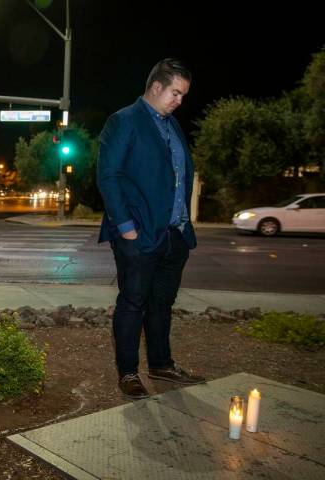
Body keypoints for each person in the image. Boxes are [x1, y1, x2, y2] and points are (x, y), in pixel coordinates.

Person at [96, 58, 205, 399]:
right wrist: (126, 227)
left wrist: (184, 227)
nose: (179, 101)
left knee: (162, 303)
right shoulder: (123, 121)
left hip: (174, 235)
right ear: (156, 87)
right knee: (133, 303)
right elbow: (108, 175)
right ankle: (128, 372)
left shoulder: (172, 126)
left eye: (184, 95)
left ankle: (161, 365)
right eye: (175, 93)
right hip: (138, 234)